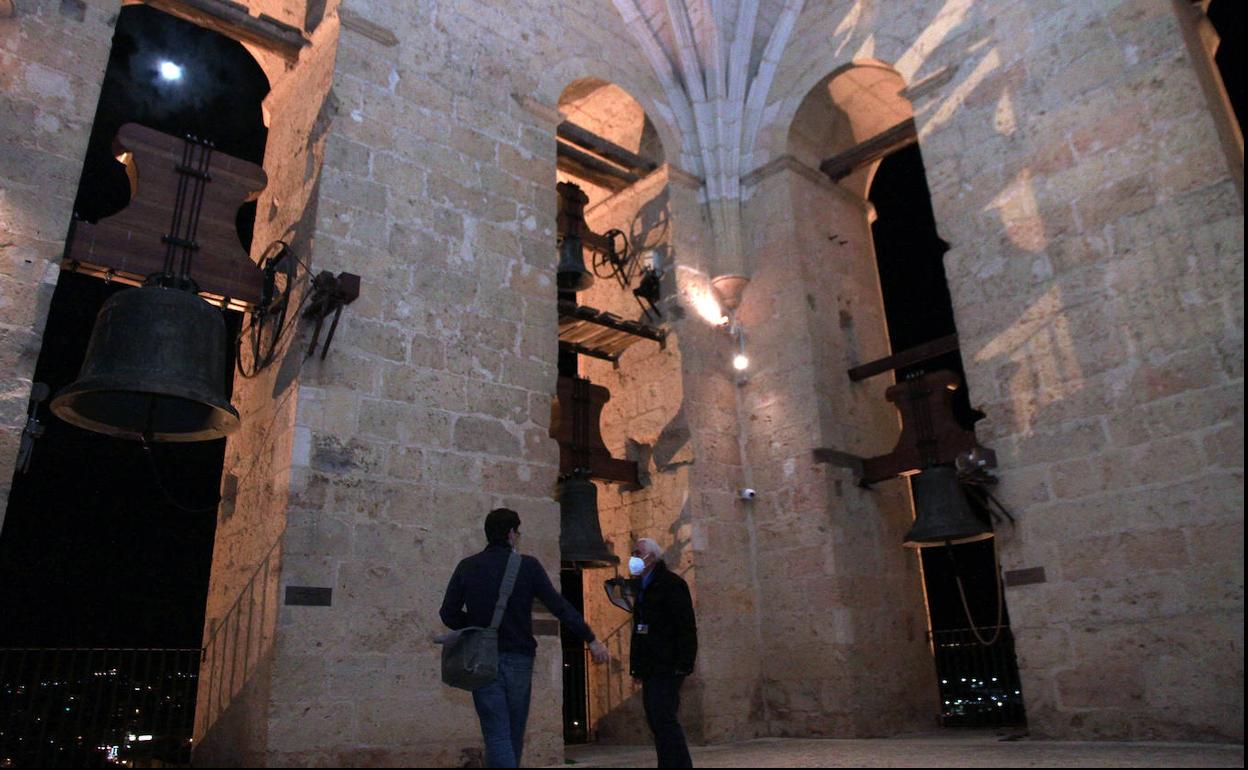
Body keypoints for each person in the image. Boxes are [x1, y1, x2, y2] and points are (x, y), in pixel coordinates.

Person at [440, 507, 609, 768]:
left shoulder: (468, 566)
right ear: (510, 534)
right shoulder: (527, 566)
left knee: (497, 734)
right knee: (514, 734)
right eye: (517, 532)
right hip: (519, 658)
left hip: (482, 660)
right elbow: (558, 606)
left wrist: (477, 627)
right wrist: (591, 638)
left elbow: (448, 613)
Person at [628, 537, 697, 768]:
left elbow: (685, 624)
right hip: (651, 665)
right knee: (656, 720)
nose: (634, 557)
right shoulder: (641, 587)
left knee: (664, 718)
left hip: (668, 663)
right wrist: (636, 667)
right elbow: (638, 629)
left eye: (638, 553)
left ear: (652, 557)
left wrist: (685, 663)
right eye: (634, 552)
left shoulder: (671, 584)